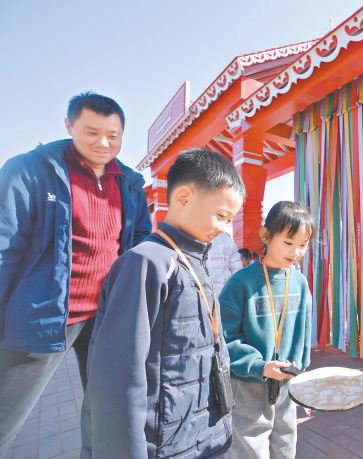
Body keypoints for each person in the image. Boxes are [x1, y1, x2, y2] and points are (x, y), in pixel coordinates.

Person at [0, 92, 151, 456]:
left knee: (102, 416)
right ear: (69, 126)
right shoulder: (29, 172)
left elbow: (140, 241)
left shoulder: (130, 183)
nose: (103, 143)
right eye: (92, 132)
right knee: (6, 413)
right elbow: (5, 246)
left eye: (113, 135)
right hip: (44, 316)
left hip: (106, 319)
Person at [80, 148, 245, 458]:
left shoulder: (194, 259)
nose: (225, 228)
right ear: (183, 198)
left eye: (230, 219)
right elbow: (116, 377)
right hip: (165, 445)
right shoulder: (146, 263)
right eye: (222, 216)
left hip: (202, 438)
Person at [220, 200, 314, 459]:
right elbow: (224, 338)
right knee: (249, 449)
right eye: (288, 242)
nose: (296, 252)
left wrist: (299, 369)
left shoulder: (300, 283)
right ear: (266, 236)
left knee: (286, 445)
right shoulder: (241, 283)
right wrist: (259, 366)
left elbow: (304, 333)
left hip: (286, 382)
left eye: (303, 245)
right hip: (248, 383)